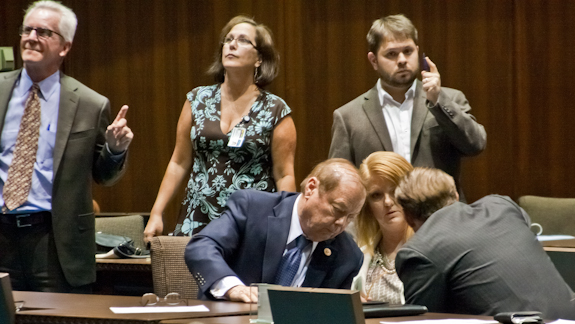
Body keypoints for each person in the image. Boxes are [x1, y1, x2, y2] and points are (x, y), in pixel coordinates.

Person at [0, 0, 132, 292]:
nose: (31, 37)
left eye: (44, 32)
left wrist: (114, 150)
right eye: (27, 30)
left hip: (55, 241)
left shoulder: (90, 104)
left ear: (65, 47)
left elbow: (104, 176)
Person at [144, 15, 296, 241]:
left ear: (259, 59)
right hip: (197, 219)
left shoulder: (275, 110)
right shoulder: (197, 99)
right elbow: (178, 162)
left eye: (243, 40)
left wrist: (287, 228)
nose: (232, 44)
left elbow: (284, 175)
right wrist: (156, 212)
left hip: (250, 222)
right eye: (228, 39)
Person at [328, 14, 486, 201]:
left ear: (417, 52)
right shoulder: (348, 117)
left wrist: (437, 101)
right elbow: (339, 183)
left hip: (441, 219)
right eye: (391, 54)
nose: (402, 60)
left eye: (408, 51)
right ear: (373, 60)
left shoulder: (449, 99)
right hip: (381, 222)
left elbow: (475, 145)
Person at [394, 168, 575, 319]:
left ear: (408, 216)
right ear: (456, 196)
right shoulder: (502, 205)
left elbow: (420, 320)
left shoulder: (419, 251)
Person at [185, 158, 365, 303]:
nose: (341, 223)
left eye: (350, 217)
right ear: (311, 188)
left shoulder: (348, 257)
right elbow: (201, 247)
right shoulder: (252, 209)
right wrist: (233, 287)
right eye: (337, 209)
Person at [351, 152, 413, 304]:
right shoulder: (358, 256)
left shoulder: (430, 250)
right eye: (376, 195)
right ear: (367, 206)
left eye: (395, 191)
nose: (387, 202)